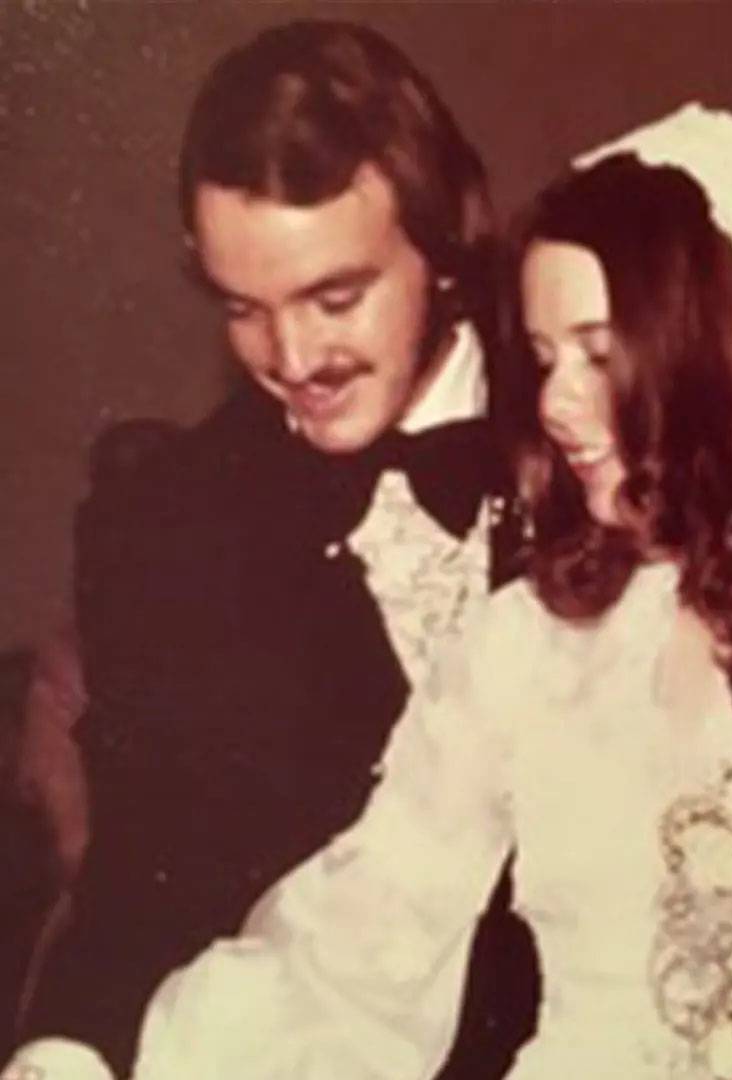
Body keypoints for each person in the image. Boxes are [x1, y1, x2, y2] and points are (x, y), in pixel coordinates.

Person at [29, 105, 732, 1079]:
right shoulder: (527, 643)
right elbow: (359, 942)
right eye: (540, 357)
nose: (559, 404)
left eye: (599, 355)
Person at [8, 20, 537, 1079]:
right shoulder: (171, 528)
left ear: (442, 248)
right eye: (245, 310)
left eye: (336, 297)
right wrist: (61, 1058)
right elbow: (143, 883)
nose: (293, 360)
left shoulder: (596, 420)